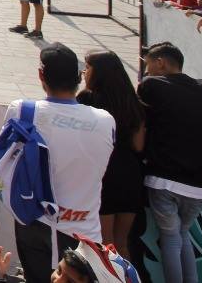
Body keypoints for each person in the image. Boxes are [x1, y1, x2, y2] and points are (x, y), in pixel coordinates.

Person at [2, 43, 114, 283]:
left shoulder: (22, 110)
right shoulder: (106, 120)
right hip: (84, 229)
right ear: (79, 77)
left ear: (41, 75)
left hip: (35, 218)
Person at [138, 41, 202, 283]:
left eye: (148, 66)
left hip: (165, 181)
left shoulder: (151, 85)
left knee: (171, 238)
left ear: (160, 63)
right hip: (199, 186)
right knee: (182, 234)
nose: (146, 72)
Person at [76, 49, 145, 261]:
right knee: (122, 244)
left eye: (87, 67)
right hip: (130, 176)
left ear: (99, 72)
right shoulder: (134, 103)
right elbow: (139, 146)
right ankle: (126, 276)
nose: (84, 72)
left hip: (103, 175)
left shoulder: (87, 99)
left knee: (104, 245)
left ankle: (106, 276)